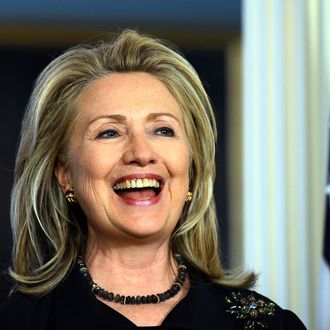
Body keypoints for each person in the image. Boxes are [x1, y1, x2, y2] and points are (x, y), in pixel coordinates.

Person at [0, 30, 306, 329]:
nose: (141, 153)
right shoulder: (18, 322)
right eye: (109, 132)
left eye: (163, 130)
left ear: (191, 169)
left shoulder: (271, 323)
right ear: (64, 175)